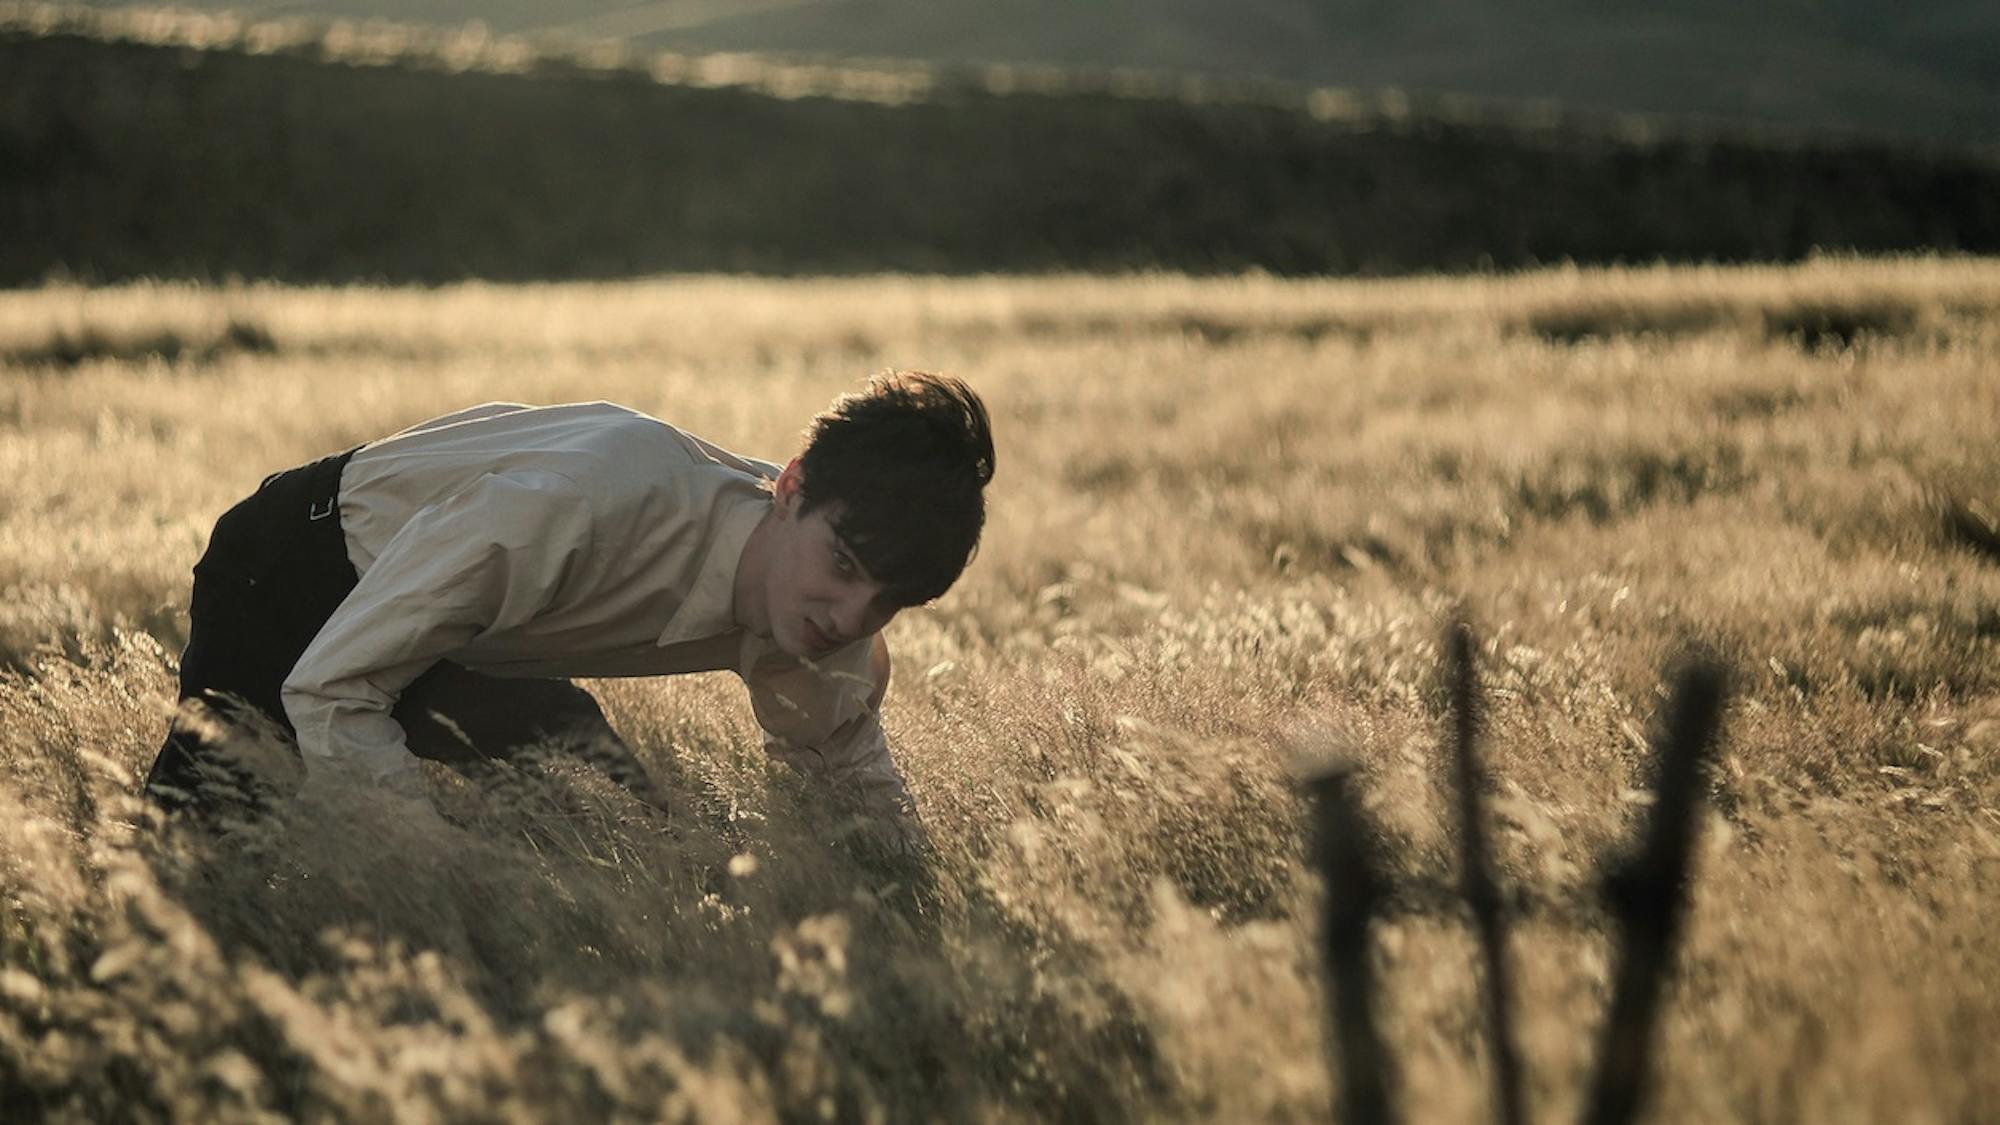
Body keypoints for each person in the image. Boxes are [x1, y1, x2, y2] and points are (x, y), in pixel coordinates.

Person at [143, 372, 994, 852]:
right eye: (843, 567)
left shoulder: (825, 606)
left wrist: (919, 907)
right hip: (298, 565)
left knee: (607, 815)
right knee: (197, 849)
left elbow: (845, 773)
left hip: (467, 632)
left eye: (887, 600)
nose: (848, 615)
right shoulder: (585, 504)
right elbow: (334, 686)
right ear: (793, 487)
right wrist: (436, 876)